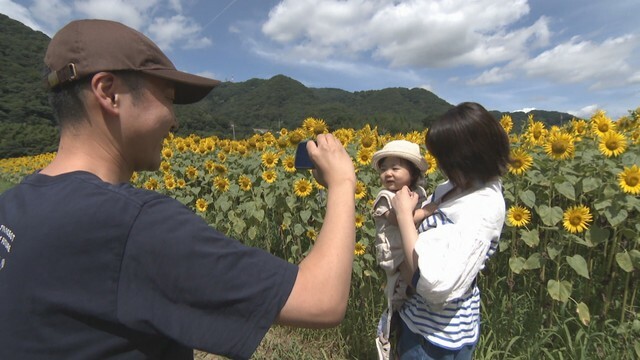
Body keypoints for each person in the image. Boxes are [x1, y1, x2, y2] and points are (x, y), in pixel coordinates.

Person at [0, 19, 356, 360]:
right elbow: (321, 299)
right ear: (109, 93)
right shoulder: (131, 225)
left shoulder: (12, 205)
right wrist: (342, 182)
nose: (175, 120)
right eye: (168, 98)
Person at [391, 102, 511, 359]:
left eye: (445, 160)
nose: (441, 166)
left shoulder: (482, 210)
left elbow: (434, 284)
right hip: (417, 318)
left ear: (468, 158)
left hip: (437, 337)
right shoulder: (456, 185)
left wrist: (403, 216)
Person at [370, 140, 437, 360]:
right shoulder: (384, 197)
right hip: (395, 255)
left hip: (412, 249)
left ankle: (402, 334)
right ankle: (387, 338)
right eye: (384, 168)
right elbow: (400, 219)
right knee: (399, 298)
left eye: (395, 168)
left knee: (411, 295)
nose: (388, 173)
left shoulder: (418, 191)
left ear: (413, 172)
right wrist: (426, 212)